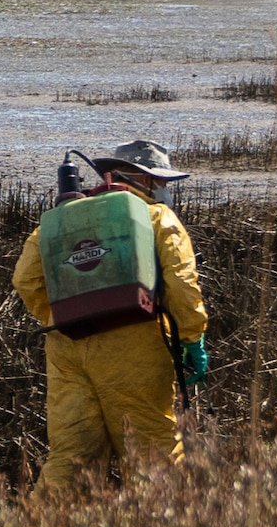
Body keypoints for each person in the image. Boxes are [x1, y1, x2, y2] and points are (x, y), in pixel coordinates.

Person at [13, 138, 212, 490]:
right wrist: (192, 337)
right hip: (136, 348)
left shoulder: (60, 219)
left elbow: (25, 279)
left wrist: (66, 317)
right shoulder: (157, 216)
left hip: (67, 349)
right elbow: (181, 282)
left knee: (73, 457)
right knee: (152, 454)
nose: (164, 190)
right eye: (162, 182)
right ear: (146, 179)